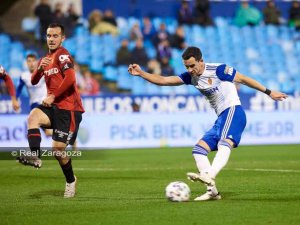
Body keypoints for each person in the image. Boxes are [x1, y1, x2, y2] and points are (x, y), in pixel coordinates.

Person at [128, 46, 287, 201]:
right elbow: (163, 80)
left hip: (233, 111)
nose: (190, 69)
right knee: (198, 150)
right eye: (187, 66)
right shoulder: (190, 77)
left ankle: (209, 175)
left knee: (225, 143)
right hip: (221, 119)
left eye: (192, 65)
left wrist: (269, 92)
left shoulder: (218, 70)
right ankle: (213, 192)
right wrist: (141, 73)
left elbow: (243, 79)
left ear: (201, 61)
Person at [18, 23, 85, 198]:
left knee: (58, 150)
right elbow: (33, 81)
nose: (52, 39)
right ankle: (35, 155)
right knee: (32, 117)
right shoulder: (45, 59)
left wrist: (53, 96)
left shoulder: (63, 55)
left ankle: (71, 180)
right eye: (49, 36)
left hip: (69, 109)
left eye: (55, 36)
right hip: (53, 107)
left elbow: (70, 78)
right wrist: (40, 69)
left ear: (62, 38)